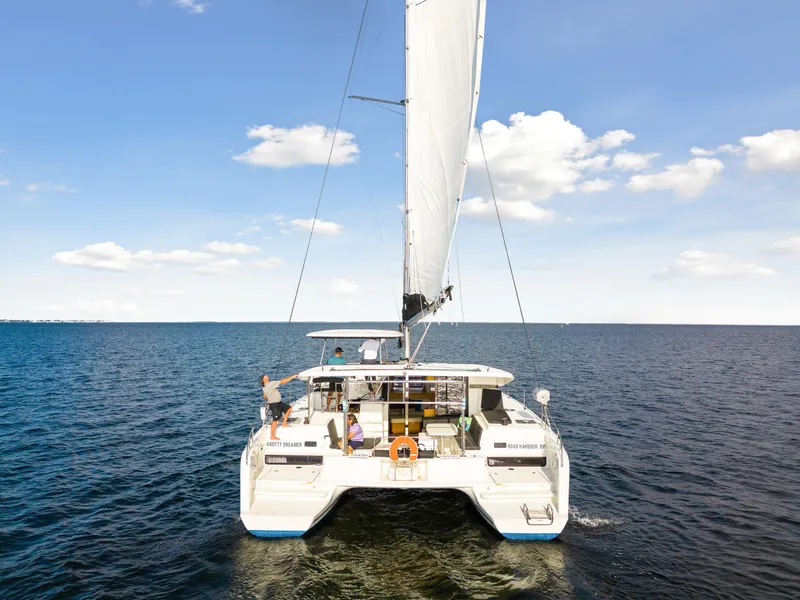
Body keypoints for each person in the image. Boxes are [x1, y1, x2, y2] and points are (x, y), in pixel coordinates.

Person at [260, 373, 299, 440]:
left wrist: (268, 399)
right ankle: (272, 436)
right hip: (275, 405)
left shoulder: (264, 387)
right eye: (265, 376)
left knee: (289, 408)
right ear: (264, 380)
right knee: (275, 421)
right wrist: (292, 376)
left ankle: (284, 424)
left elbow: (265, 396)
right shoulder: (271, 384)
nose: (266, 375)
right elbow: (283, 381)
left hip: (278, 403)